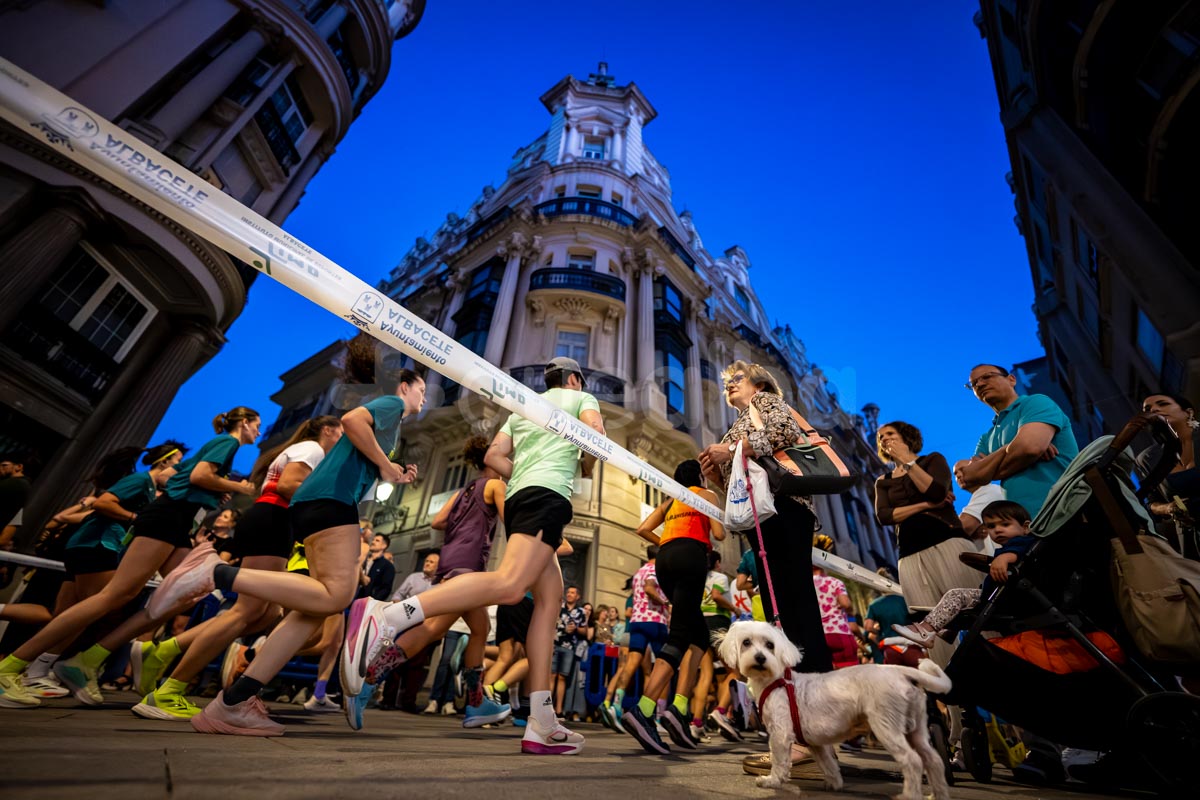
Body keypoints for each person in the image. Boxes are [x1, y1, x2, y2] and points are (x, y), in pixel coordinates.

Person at [155, 347, 423, 736]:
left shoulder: (393, 425)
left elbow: (361, 454)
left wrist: (392, 471)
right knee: (336, 596)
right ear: (404, 387)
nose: (425, 397)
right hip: (329, 500)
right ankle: (218, 573)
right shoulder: (390, 405)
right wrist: (385, 463)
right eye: (422, 390)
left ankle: (234, 702)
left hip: (324, 500)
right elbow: (351, 420)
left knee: (311, 608)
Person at [343, 356, 604, 754]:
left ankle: (541, 721)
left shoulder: (524, 411)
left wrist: (528, 468)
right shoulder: (581, 396)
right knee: (511, 586)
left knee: (547, 604)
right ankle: (389, 615)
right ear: (574, 378)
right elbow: (595, 435)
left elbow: (494, 460)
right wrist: (584, 462)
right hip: (546, 495)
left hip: (521, 498)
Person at [0, 409, 259, 708]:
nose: (259, 432)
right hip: (167, 517)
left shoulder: (220, 450)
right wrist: (237, 486)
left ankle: (97, 658)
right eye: (257, 425)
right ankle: (13, 667)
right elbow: (200, 475)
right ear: (244, 423)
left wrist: (215, 491)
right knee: (115, 595)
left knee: (186, 593)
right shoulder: (228, 442)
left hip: (177, 521)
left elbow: (180, 477)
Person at [132, 416, 343, 720]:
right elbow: (287, 485)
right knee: (245, 612)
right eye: (341, 432)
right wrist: (329, 506)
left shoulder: (305, 449)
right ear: (327, 430)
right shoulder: (312, 449)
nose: (343, 439)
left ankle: (165, 651)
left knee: (265, 613)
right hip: (273, 520)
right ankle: (169, 689)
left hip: (273, 522)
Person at [698, 360, 833, 778]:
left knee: (794, 609)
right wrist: (716, 473)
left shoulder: (767, 401)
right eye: (725, 384)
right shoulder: (740, 421)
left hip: (785, 512)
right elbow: (741, 483)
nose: (728, 387)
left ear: (757, 382)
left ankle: (811, 728)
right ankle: (802, 729)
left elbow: (782, 434)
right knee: (782, 611)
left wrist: (730, 450)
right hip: (760, 517)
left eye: (734, 380)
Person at [617, 459, 726, 754]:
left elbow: (642, 529)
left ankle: (678, 709)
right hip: (691, 556)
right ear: (701, 478)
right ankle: (645, 708)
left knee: (699, 636)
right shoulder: (707, 496)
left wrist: (668, 539)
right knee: (679, 635)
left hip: (664, 559)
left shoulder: (671, 501)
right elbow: (719, 534)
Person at [874, 421, 981, 667]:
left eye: (890, 434)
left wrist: (908, 463)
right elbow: (885, 516)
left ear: (906, 437)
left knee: (972, 612)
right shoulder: (883, 481)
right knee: (928, 623)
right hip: (910, 554)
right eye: (880, 437)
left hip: (947, 542)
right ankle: (952, 695)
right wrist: (925, 506)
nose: (884, 440)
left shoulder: (932, 460)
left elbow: (934, 491)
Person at [892, 501, 1034, 646]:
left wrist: (1004, 558)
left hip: (1006, 596)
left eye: (1004, 524)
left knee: (956, 595)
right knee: (959, 602)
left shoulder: (1022, 542)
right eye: (991, 526)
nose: (997, 530)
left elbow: (1018, 552)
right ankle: (946, 629)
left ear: (1025, 527)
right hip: (997, 594)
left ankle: (927, 630)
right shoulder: (1008, 546)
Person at [956, 363, 1078, 518]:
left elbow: (1029, 447)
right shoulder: (987, 437)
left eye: (987, 376)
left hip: (1064, 509)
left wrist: (992, 469)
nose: (979, 384)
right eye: (973, 384)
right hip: (1024, 523)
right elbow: (972, 476)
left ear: (1011, 380)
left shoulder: (1035, 403)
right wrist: (1010, 447)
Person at [600, 546, 669, 730]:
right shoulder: (656, 570)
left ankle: (616, 704)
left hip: (637, 622)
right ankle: (657, 717)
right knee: (665, 667)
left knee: (631, 664)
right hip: (655, 621)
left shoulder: (639, 571)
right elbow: (649, 588)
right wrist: (666, 603)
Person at [1137, 393, 1199, 561]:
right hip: (1193, 539)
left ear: (1188, 412)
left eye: (1163, 404)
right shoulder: (1148, 458)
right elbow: (1150, 503)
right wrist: (1168, 508)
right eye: (1148, 409)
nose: (1154, 409)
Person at [811, 535, 856, 669]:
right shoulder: (834, 582)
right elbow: (845, 604)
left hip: (817, 635)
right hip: (839, 632)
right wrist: (850, 610)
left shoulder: (804, 586)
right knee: (851, 676)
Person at [552, 585, 586, 717]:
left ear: (577, 596)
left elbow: (585, 630)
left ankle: (559, 710)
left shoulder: (581, 612)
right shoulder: (558, 607)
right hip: (555, 644)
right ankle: (547, 708)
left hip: (570, 648)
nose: (569, 594)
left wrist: (576, 629)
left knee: (562, 677)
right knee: (551, 676)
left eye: (573, 592)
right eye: (568, 592)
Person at [864, 568, 910, 664]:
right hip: (909, 644)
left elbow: (868, 627)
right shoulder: (904, 600)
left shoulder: (874, 605)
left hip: (891, 647)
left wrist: (879, 631)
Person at [358, 534, 396, 601]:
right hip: (352, 598)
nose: (373, 542)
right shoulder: (364, 559)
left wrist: (372, 602)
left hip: (366, 603)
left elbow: (385, 589)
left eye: (377, 541)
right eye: (373, 540)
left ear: (384, 546)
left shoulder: (387, 566)